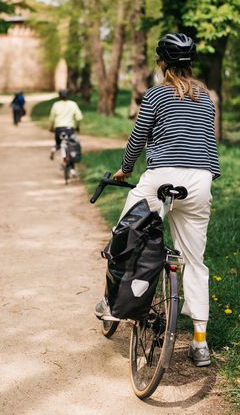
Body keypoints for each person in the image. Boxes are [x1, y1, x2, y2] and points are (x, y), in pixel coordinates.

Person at [94, 33, 220, 367]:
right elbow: (210, 143)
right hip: (200, 180)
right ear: (190, 62)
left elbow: (138, 139)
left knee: (126, 234)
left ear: (161, 62)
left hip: (161, 176)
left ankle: (112, 302)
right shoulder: (205, 97)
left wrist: (123, 169)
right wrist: (208, 179)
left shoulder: (156, 94)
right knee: (195, 260)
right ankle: (200, 343)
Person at [49, 89, 83, 176]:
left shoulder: (56, 105)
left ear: (59, 96)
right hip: (70, 129)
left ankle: (54, 149)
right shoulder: (73, 104)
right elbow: (79, 117)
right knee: (71, 147)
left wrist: (51, 127)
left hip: (59, 128)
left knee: (58, 143)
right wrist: (77, 126)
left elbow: (52, 118)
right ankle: (72, 170)